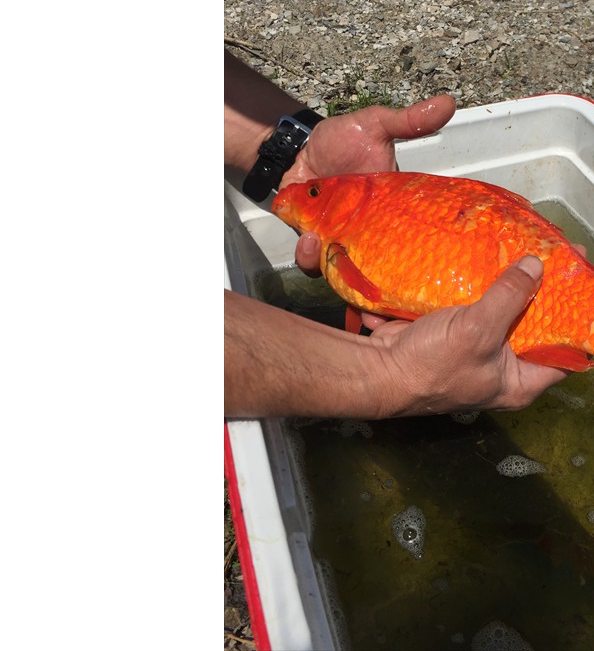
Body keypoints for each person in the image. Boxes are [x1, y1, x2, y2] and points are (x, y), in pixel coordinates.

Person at [224, 50, 569, 419]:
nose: (304, 192)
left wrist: (289, 149)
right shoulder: (339, 240)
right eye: (315, 191)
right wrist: (392, 373)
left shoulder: (342, 237)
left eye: (314, 193)